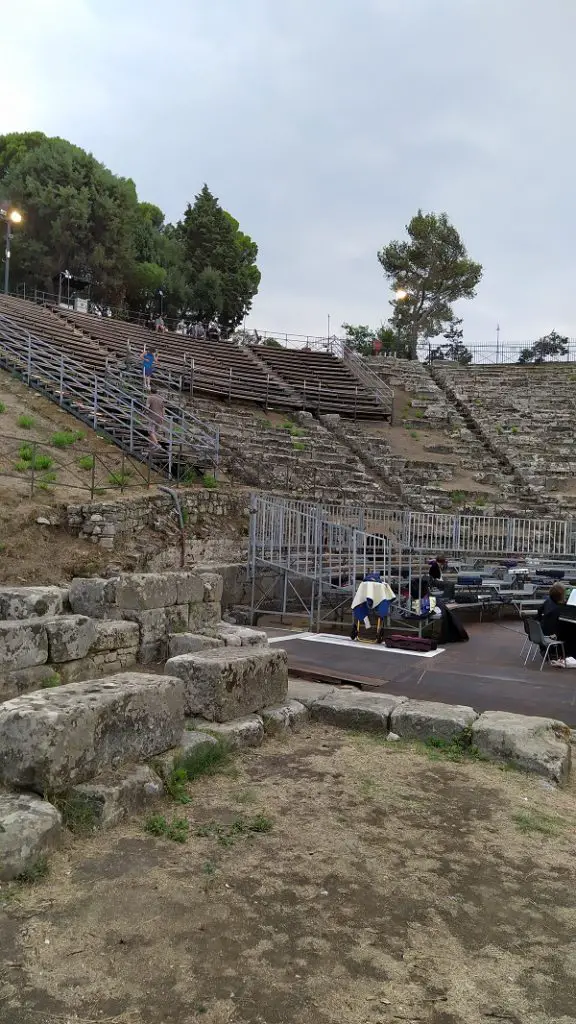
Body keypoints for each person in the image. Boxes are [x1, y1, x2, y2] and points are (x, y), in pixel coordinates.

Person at [537, 583, 576, 665]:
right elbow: (560, 628)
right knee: (572, 632)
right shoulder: (557, 609)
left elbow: (538, 613)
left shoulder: (547, 602)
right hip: (551, 637)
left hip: (543, 635)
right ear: (561, 595)